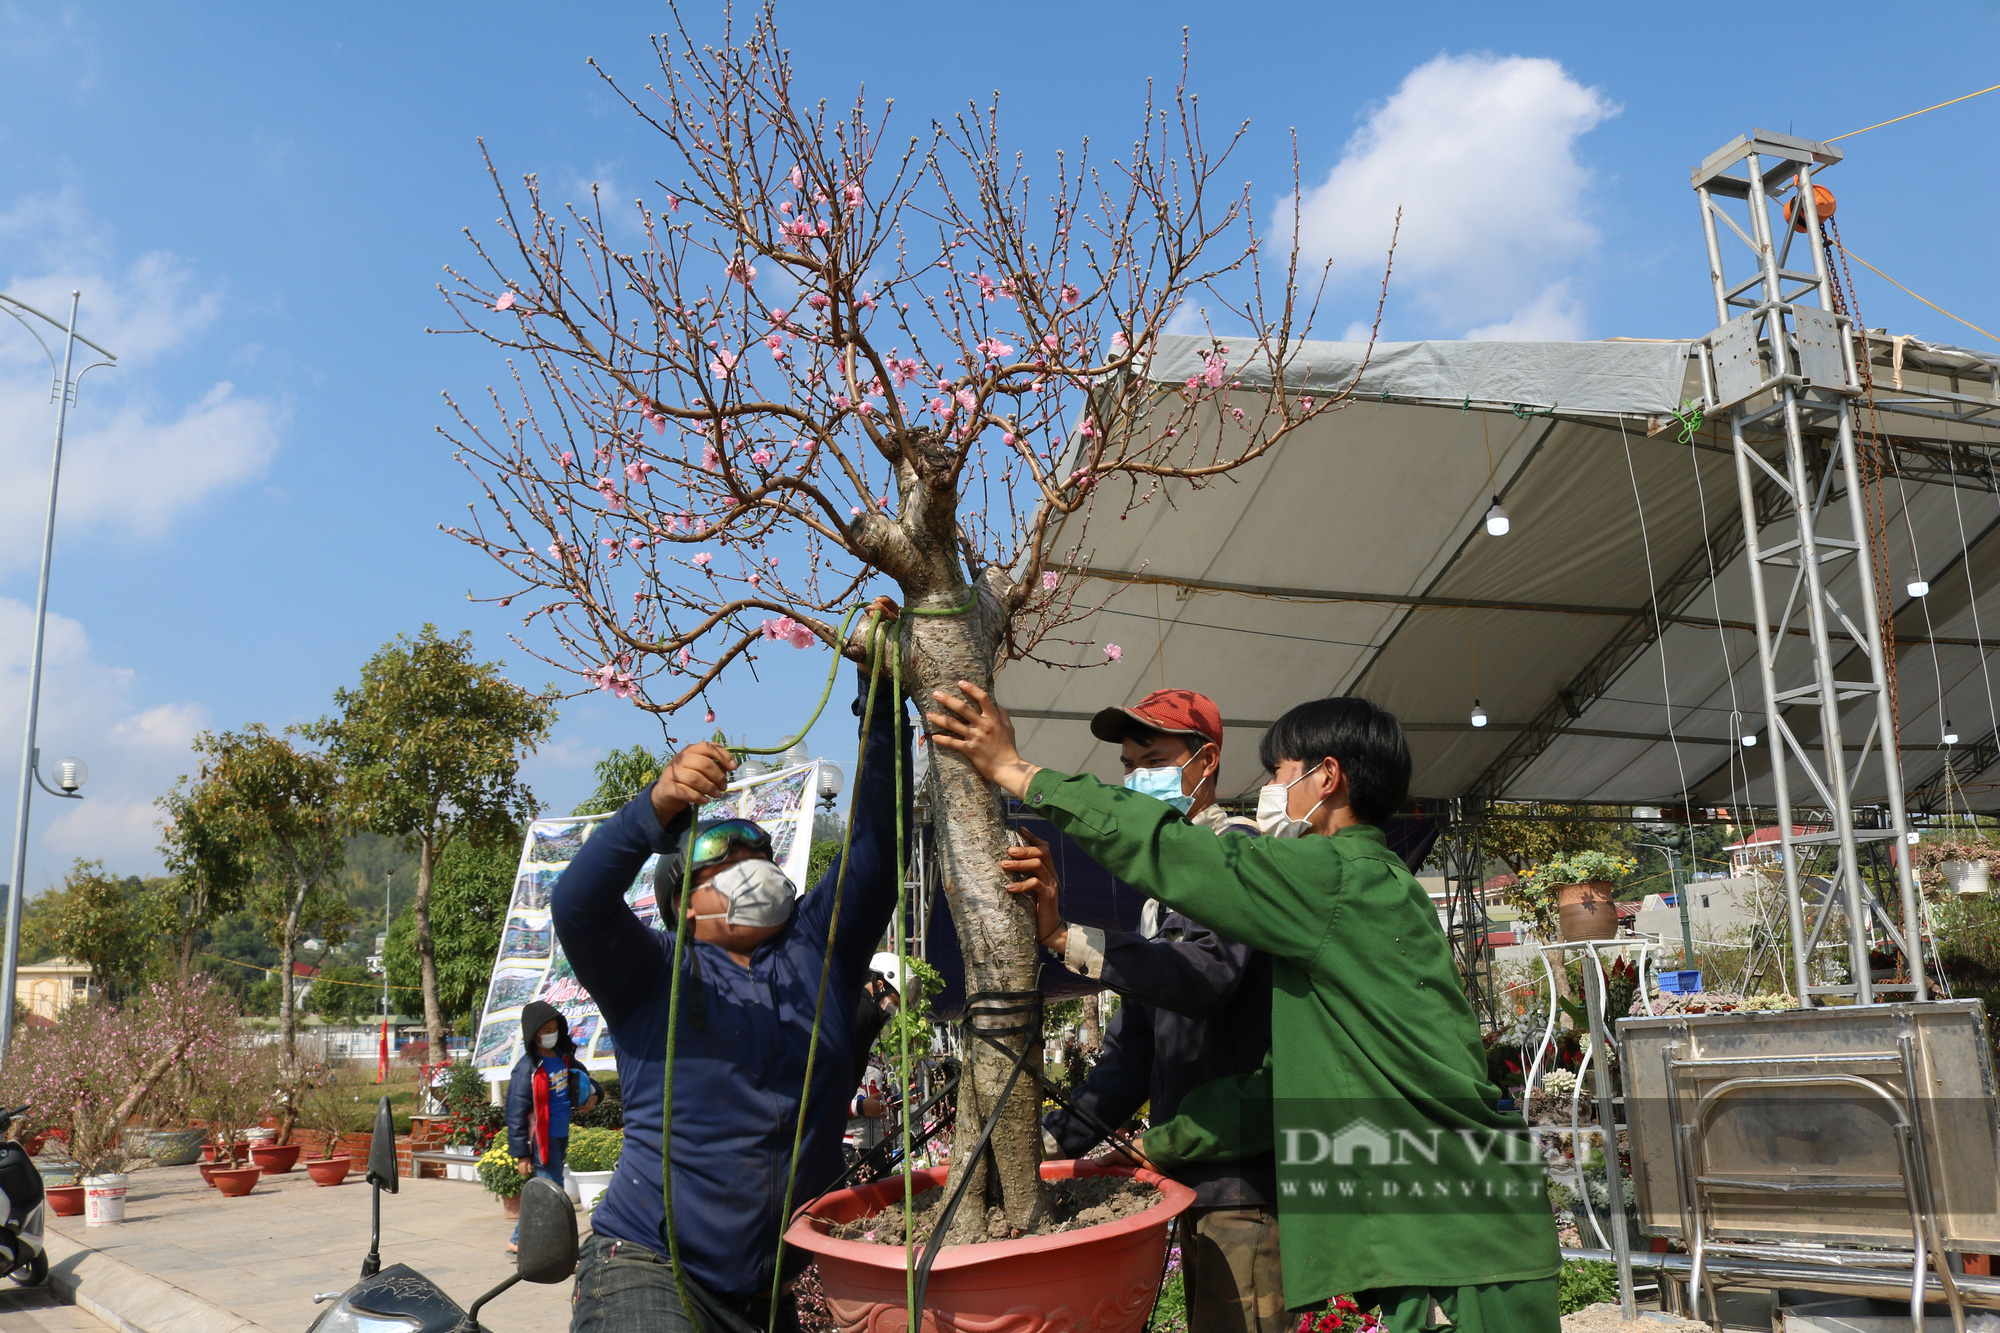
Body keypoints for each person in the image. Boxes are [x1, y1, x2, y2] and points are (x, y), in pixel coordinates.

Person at [927, 683, 1562, 1332]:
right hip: (1450, 1212)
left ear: (1329, 777)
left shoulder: (1323, 875)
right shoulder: (1357, 890)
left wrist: (1016, 771)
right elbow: (1274, 1077)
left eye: (1282, 773)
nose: (1272, 791)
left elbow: (1172, 858)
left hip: (1459, 1222)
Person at [551, 598, 910, 1333]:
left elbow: (878, 847)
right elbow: (579, 904)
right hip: (647, 1266)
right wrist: (654, 807)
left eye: (761, 856)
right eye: (726, 861)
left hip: (767, 1291)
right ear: (681, 903)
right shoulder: (654, 975)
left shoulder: (817, 946)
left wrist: (882, 705)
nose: (753, 869)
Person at [1002, 688, 1285, 1333]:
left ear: (1204, 762)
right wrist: (1049, 1140)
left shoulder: (1237, 854)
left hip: (1241, 1180)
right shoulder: (1161, 896)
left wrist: (1063, 938)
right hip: (1188, 1173)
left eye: (1150, 757)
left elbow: (1204, 976)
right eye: (1127, 766)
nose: (1134, 777)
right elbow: (1133, 1055)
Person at [503, 1001, 600, 1252]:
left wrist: (594, 1095)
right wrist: (521, 1154)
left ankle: (518, 1240)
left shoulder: (564, 1058)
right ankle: (538, 1244)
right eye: (545, 1029)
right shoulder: (527, 1069)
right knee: (551, 1190)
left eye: (554, 1028)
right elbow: (515, 1113)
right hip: (541, 1141)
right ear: (533, 1032)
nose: (551, 1034)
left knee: (549, 1189)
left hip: (560, 1134)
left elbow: (587, 1080)